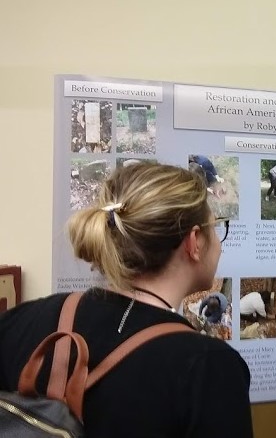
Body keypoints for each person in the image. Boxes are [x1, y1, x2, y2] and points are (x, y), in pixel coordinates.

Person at [0, 161, 253, 437]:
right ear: (194, 242)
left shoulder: (22, 320)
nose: (218, 242)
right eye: (215, 227)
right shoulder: (209, 368)